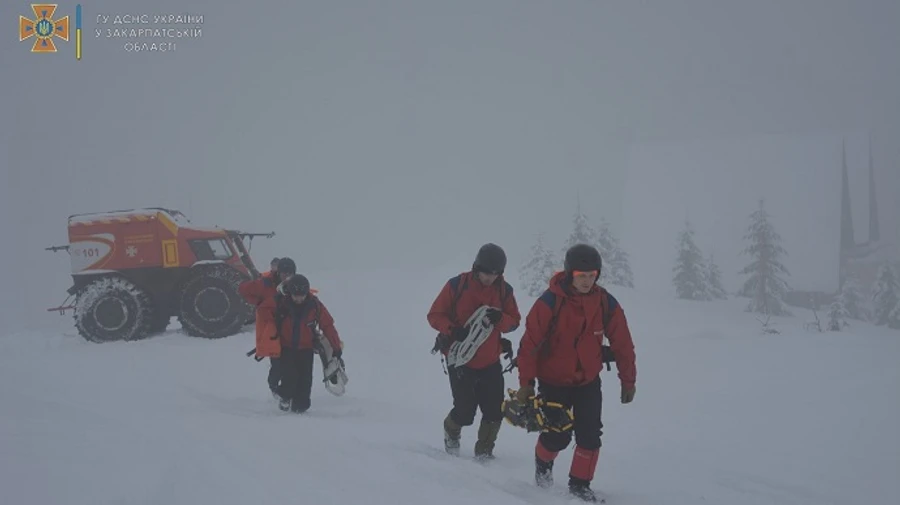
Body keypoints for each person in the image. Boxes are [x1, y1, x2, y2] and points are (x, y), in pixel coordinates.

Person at [514, 244, 637, 502]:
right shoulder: (550, 302)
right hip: (553, 381)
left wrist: (628, 380)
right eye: (582, 275)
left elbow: (623, 343)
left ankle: (580, 486)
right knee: (558, 436)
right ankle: (543, 465)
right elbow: (528, 346)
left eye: (592, 275)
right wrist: (526, 384)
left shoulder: (606, 302)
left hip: (587, 382)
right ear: (570, 273)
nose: (587, 281)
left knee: (590, 435)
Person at [427, 243, 521, 460]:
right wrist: (452, 330)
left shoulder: (505, 291)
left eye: (494, 274)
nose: (489, 277)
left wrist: (501, 320)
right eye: (486, 272)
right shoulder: (457, 285)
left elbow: (515, 321)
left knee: (494, 410)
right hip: (459, 359)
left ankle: (484, 452)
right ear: (477, 267)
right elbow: (434, 315)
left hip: (490, 359)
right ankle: (452, 431)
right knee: (465, 411)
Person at [274, 273, 343, 413]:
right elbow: (266, 318)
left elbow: (328, 326)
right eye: (295, 295)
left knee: (305, 382)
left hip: (306, 350)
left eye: (302, 295)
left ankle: (300, 408)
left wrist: (336, 347)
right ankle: (285, 397)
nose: (298, 298)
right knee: (290, 377)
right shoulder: (281, 304)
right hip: (286, 348)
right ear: (290, 293)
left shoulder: (315, 306)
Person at [238, 257, 297, 397]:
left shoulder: (296, 285)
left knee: (291, 363)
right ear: (279, 272)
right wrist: (259, 302)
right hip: (272, 330)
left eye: (290, 273)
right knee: (277, 363)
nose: (287, 276)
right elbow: (242, 289)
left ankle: (288, 391)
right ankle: (274, 387)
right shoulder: (264, 284)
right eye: (284, 273)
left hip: (290, 331)